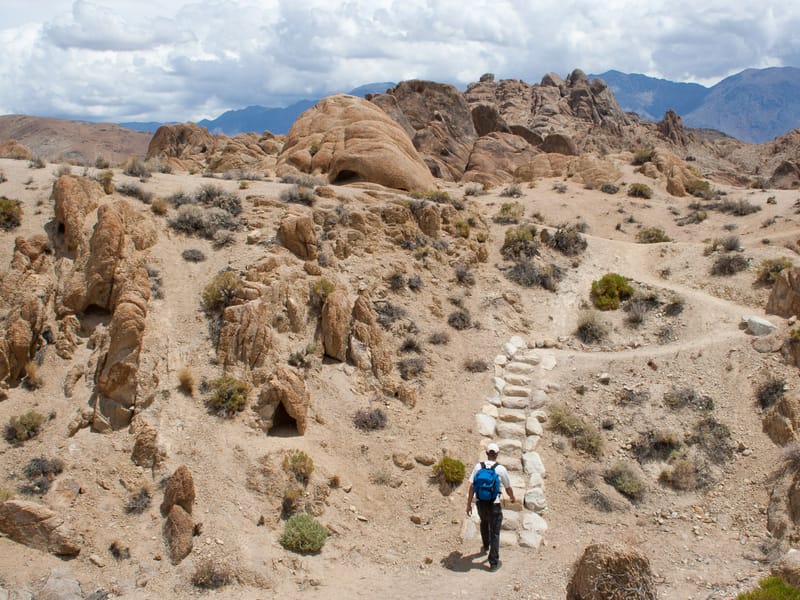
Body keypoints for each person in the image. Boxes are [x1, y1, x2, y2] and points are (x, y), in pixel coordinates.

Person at [466, 442, 516, 571]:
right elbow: (508, 486)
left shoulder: (478, 466)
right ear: (497, 454)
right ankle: (493, 562)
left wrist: (468, 504)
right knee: (495, 532)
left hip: (480, 502)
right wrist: (512, 497)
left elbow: (472, 486)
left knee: (484, 522)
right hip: (494, 504)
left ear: (487, 453)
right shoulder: (500, 469)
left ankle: (486, 545)